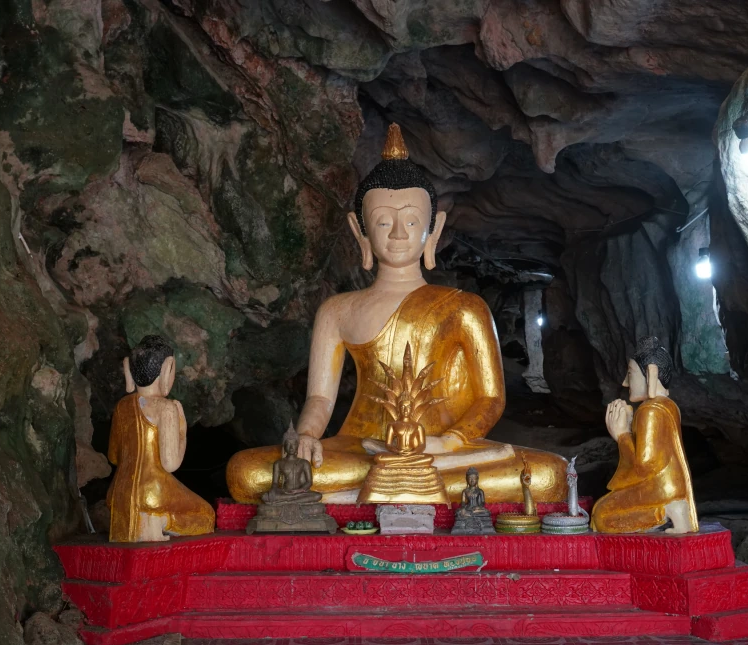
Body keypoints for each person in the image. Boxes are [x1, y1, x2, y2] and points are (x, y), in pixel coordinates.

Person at [226, 124, 566, 504]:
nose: (399, 233)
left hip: (445, 455)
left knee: (546, 473)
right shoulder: (338, 311)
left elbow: (490, 399)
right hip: (360, 449)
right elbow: (320, 400)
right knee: (248, 472)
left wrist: (448, 441)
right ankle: (390, 490)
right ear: (361, 232)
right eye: (385, 221)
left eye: (411, 221)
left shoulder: (464, 307)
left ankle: (361, 496)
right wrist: (306, 438)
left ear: (433, 229)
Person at [107, 335, 214, 541]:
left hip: (119, 495)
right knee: (206, 514)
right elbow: (170, 463)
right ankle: (161, 521)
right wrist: (181, 430)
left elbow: (114, 457)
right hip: (153, 492)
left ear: (128, 369)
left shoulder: (121, 407)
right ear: (168, 368)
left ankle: (142, 520)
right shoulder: (165, 408)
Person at [590, 337, 698, 534]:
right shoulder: (668, 406)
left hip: (658, 488)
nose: (625, 382)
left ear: (650, 374)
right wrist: (630, 427)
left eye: (630, 373)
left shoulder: (649, 411)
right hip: (668, 484)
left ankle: (664, 511)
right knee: (601, 507)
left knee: (601, 515)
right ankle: (670, 510)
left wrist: (621, 434)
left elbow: (644, 466)